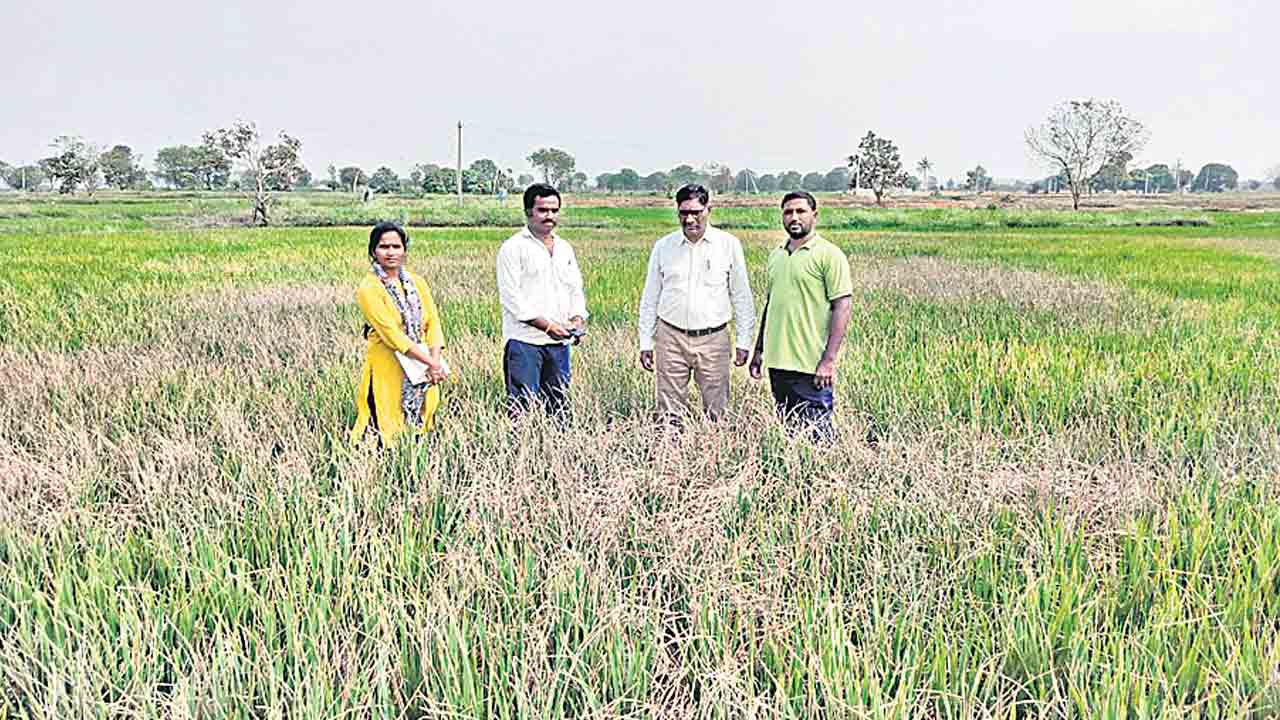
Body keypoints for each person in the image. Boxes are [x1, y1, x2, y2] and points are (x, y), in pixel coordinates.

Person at [637, 183, 754, 422]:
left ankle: (714, 453)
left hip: (714, 339)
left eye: (696, 212)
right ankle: (669, 454)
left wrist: (743, 341)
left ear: (708, 209)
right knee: (668, 412)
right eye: (684, 213)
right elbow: (650, 298)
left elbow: (741, 296)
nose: (690, 219)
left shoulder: (728, 245)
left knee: (717, 409)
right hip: (671, 337)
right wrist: (645, 342)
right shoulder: (663, 247)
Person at [749, 191, 853, 441]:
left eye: (800, 211)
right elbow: (772, 304)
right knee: (789, 435)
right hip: (778, 363)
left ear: (814, 216)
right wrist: (760, 350)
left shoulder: (829, 255)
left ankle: (826, 480)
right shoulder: (777, 255)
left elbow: (843, 306)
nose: (794, 217)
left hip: (811, 366)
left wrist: (828, 360)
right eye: (788, 212)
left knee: (818, 439)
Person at [496, 183, 588, 420]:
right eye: (543, 210)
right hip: (525, 342)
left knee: (559, 408)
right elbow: (511, 298)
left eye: (554, 210)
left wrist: (577, 318)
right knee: (522, 409)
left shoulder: (565, 248)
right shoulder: (513, 248)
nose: (550, 216)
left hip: (559, 343)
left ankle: (556, 454)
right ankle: (521, 454)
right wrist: (547, 326)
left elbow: (575, 287)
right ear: (528, 212)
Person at [350, 221, 449, 444]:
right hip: (389, 364)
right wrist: (432, 364)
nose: (391, 252)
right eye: (384, 247)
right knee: (385, 420)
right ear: (373, 251)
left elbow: (433, 323)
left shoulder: (418, 283)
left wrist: (434, 359)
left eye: (396, 246)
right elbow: (392, 335)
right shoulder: (369, 288)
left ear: (405, 249)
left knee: (422, 419)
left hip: (421, 364)